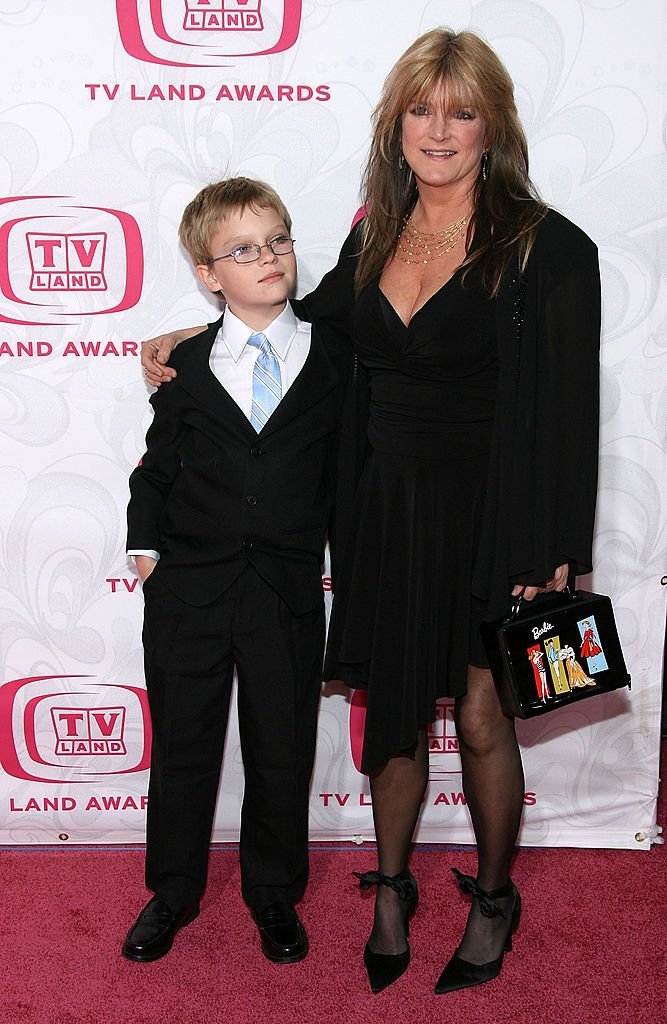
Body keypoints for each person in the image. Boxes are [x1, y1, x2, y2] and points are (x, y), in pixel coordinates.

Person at [141, 28, 601, 995]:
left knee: (482, 716)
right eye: (420, 108)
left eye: (461, 110)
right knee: (389, 712)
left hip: (489, 512)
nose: (438, 129)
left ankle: (492, 901)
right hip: (382, 511)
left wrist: (554, 548)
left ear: (492, 126)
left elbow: (567, 411)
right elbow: (306, 328)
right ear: (396, 124)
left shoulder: (546, 247)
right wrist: (199, 333)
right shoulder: (373, 231)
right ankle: (391, 890)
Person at [124, 177, 347, 966]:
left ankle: (273, 894)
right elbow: (155, 469)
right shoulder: (184, 362)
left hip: (284, 590)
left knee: (280, 746)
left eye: (278, 240)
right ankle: (172, 892)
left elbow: (349, 478)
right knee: (184, 746)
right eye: (243, 250)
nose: (268, 258)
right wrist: (145, 553)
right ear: (208, 273)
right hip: (187, 587)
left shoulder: (334, 357)